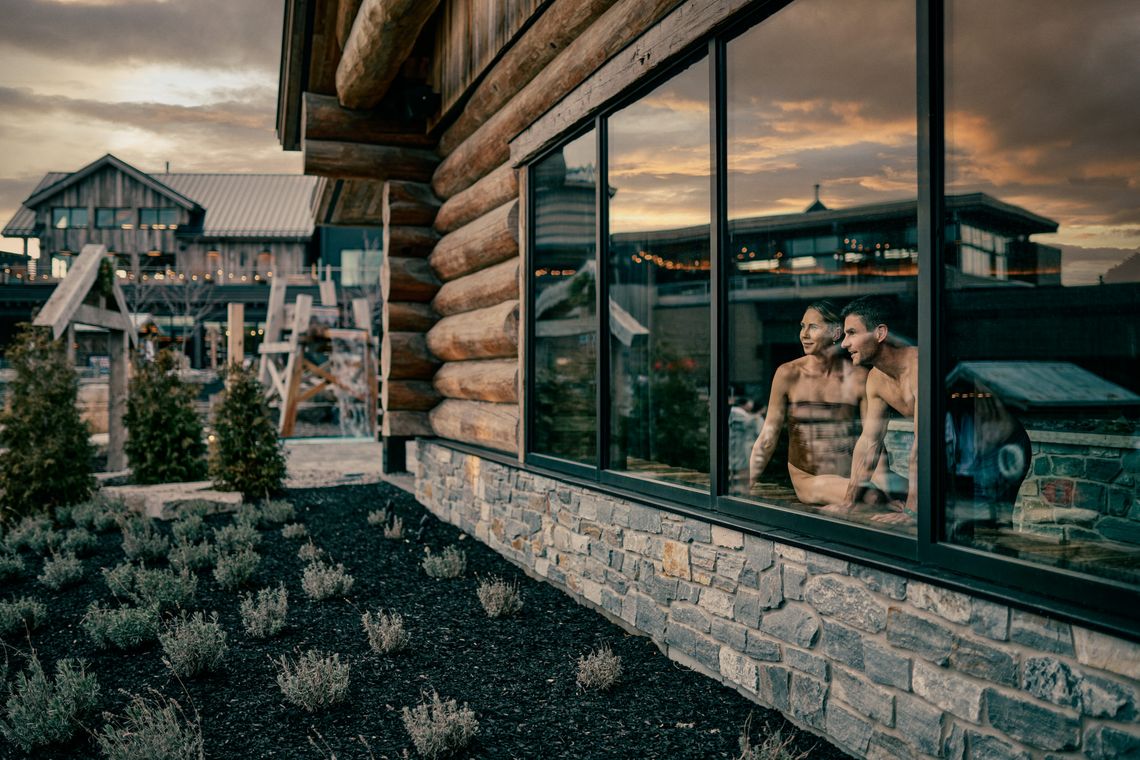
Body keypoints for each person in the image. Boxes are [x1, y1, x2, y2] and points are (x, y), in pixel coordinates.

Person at [748, 300, 872, 504]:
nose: (804, 334)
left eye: (813, 327)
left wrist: (878, 481)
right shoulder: (788, 374)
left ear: (836, 333)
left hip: (852, 476)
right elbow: (767, 438)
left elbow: (872, 440)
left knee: (903, 495)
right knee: (873, 497)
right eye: (802, 327)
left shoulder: (859, 377)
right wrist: (743, 485)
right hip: (810, 480)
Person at [821, 295, 918, 524]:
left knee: (987, 539)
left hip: (994, 450)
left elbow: (924, 444)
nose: (844, 343)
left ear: (880, 333)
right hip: (957, 454)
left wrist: (912, 512)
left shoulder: (919, 368)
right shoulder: (875, 378)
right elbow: (869, 442)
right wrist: (849, 501)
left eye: (852, 333)